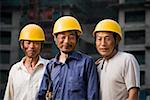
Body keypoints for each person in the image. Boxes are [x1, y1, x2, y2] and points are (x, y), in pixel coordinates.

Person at [37, 16, 99, 100]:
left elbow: (93, 96)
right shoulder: (51, 66)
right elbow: (41, 95)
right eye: (63, 37)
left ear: (77, 39)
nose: (66, 41)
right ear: (55, 39)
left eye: (71, 37)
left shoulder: (86, 63)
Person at [93, 19, 140, 100]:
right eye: (99, 39)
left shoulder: (127, 59)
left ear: (116, 40)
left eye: (107, 39)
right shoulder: (98, 65)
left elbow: (133, 95)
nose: (103, 43)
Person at [4, 24, 49, 100]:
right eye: (28, 42)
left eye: (36, 43)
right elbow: (9, 97)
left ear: (41, 45)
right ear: (22, 45)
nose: (32, 46)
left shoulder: (48, 67)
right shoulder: (15, 69)